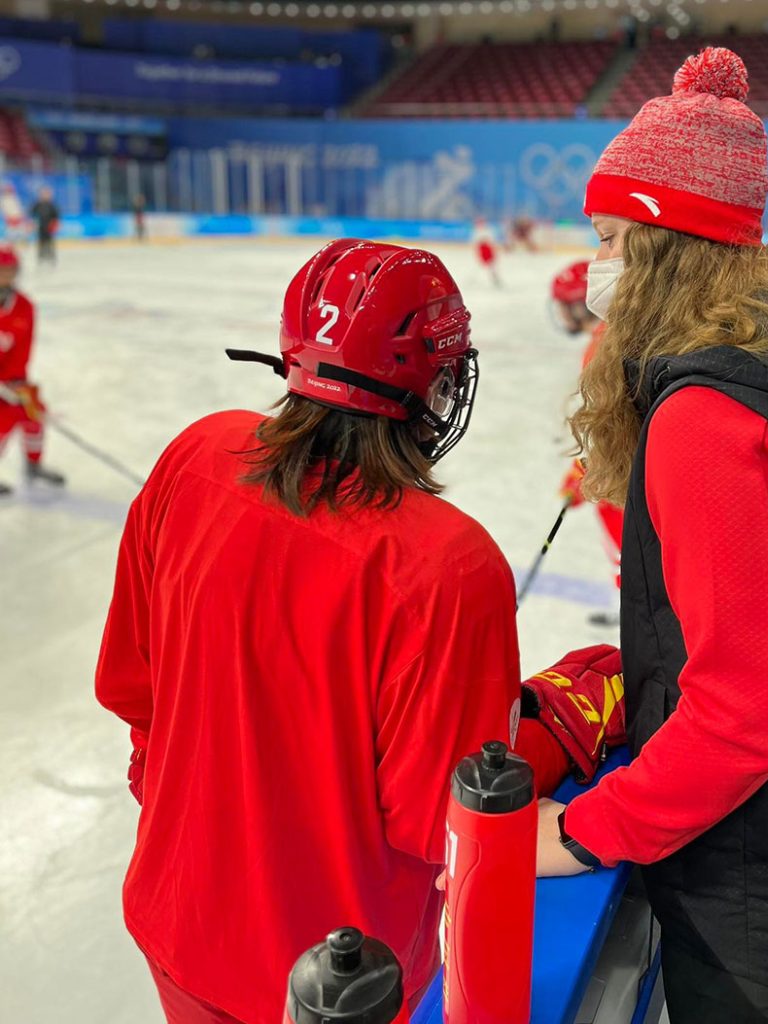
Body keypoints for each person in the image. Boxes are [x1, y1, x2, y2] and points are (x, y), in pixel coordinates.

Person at [95, 238, 591, 1024]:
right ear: (432, 381)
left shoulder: (194, 455)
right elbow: (442, 818)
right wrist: (561, 719)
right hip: (343, 980)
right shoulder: (446, 565)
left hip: (175, 916)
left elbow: (130, 684)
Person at [530, 48, 768, 1024]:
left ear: (663, 247)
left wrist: (582, 831)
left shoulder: (710, 418)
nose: (596, 268)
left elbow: (744, 713)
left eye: (612, 238)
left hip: (767, 889)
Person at [551, 260, 624, 621]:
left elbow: (608, 425)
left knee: (619, 529)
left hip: (624, 467)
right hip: (630, 459)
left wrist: (582, 475)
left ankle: (633, 611)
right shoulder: (609, 334)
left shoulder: (601, 346)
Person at [0, 244, 65, 493]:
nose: (6, 275)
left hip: (14, 381)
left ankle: (33, 466)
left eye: (10, 269)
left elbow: (23, 350)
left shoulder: (24, 306)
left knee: (36, 413)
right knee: (2, 423)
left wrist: (16, 383)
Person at [30, 186, 59, 266]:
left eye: (47, 194)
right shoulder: (37, 204)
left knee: (49, 243)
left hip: (49, 228)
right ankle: (41, 257)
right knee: (41, 243)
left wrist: (54, 225)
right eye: (43, 194)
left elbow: (56, 217)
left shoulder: (52, 205)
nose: (45, 195)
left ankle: (51, 257)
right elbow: (32, 214)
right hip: (40, 227)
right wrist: (32, 223)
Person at [472, 217, 501, 287]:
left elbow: (491, 241)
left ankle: (494, 278)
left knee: (491, 265)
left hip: (487, 249)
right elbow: (476, 242)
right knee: (485, 265)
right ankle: (476, 279)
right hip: (483, 249)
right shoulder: (476, 231)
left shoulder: (487, 230)